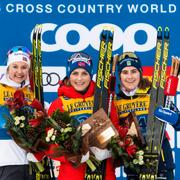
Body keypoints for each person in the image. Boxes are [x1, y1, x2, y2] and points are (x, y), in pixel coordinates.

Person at [47, 52, 119, 180]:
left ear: (90, 75)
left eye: (84, 73)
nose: (79, 79)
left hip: (103, 172)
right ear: (69, 75)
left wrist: (109, 149)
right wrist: (72, 155)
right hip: (71, 174)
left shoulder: (104, 99)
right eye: (75, 73)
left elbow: (116, 129)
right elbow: (50, 144)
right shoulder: (58, 104)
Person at [114, 52, 175, 180]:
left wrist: (172, 117)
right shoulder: (116, 100)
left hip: (160, 162)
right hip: (134, 165)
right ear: (119, 75)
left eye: (133, 71)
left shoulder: (154, 94)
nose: (130, 76)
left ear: (140, 72)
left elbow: (179, 123)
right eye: (125, 72)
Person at [0, 46, 35, 180]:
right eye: (15, 66)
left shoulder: (32, 91)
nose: (19, 72)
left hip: (31, 161)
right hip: (7, 160)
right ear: (8, 67)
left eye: (24, 67)